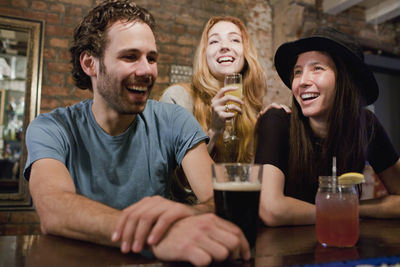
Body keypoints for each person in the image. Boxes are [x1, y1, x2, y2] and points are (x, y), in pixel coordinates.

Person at [24, 1, 251, 265]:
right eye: (130, 56)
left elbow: (218, 199)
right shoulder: (51, 128)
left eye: (151, 58)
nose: (147, 71)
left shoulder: (173, 119)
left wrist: (181, 214)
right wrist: (155, 235)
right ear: (90, 63)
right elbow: (54, 208)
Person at [255, 26, 400, 226]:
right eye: (298, 72)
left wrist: (351, 209)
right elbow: (271, 209)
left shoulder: (365, 124)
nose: (303, 81)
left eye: (317, 68)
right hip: (285, 251)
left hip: (345, 244)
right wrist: (341, 211)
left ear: (344, 80)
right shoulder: (277, 121)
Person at [160, 16, 267, 163]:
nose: (224, 46)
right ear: (204, 54)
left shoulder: (252, 107)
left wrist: (274, 123)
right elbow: (176, 177)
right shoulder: (178, 99)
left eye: (234, 40)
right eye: (214, 41)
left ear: (245, 52)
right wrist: (214, 130)